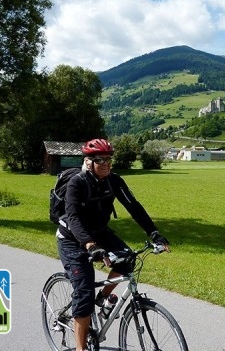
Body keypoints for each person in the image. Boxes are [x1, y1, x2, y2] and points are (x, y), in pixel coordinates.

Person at [56, 138, 169, 351]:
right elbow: (72, 217)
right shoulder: (77, 183)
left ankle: (103, 299)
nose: (107, 164)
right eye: (101, 160)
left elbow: (134, 206)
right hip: (72, 238)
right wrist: (89, 245)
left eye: (109, 159)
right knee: (83, 291)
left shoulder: (113, 180)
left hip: (99, 232)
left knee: (127, 259)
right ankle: (81, 348)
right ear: (89, 162)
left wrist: (153, 233)